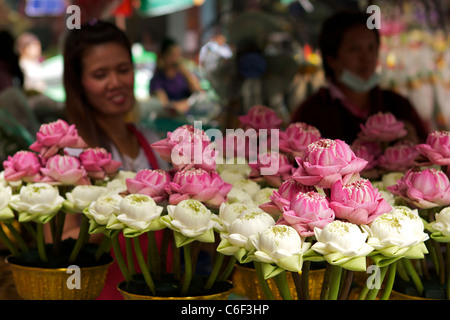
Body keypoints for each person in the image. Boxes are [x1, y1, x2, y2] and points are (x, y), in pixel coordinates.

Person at [61, 20, 169, 300]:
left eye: (123, 70)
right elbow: (59, 245)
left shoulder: (154, 143)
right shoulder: (69, 156)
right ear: (79, 83)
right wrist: (120, 209)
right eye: (100, 74)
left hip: (163, 289)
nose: (116, 82)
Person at [291, 11, 429, 145]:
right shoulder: (310, 114)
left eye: (371, 48)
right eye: (354, 49)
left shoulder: (398, 106)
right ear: (331, 59)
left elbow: (426, 154)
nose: (366, 57)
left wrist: (414, 142)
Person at [149, 37, 201, 114]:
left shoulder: (183, 75)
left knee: (199, 123)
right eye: (173, 55)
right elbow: (165, 106)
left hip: (190, 116)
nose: (176, 59)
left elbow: (199, 93)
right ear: (164, 56)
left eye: (178, 55)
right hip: (171, 119)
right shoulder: (157, 79)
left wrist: (185, 73)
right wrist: (188, 103)